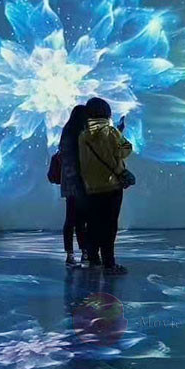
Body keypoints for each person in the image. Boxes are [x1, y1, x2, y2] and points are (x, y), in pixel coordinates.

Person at [78, 97, 132, 275]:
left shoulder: (83, 136)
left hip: (92, 187)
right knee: (110, 226)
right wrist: (120, 133)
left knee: (93, 224)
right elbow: (125, 150)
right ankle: (109, 264)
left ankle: (93, 259)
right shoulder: (111, 132)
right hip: (111, 186)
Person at [58, 105, 89, 267]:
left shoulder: (67, 132)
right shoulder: (79, 134)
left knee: (71, 218)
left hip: (69, 183)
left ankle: (70, 254)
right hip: (78, 183)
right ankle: (84, 252)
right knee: (80, 219)